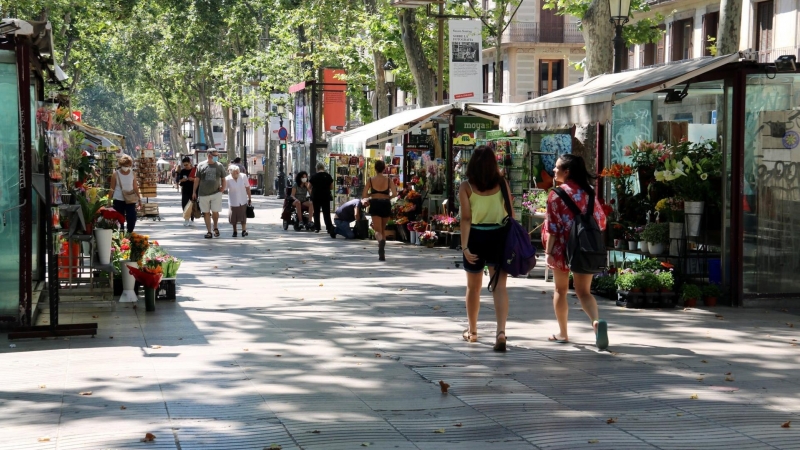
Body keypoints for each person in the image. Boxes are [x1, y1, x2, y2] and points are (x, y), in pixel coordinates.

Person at [543, 154, 608, 349]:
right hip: (583, 248)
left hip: (562, 249)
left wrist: (547, 253)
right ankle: (596, 323)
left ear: (567, 171)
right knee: (584, 292)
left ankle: (563, 333)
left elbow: (553, 229)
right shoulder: (588, 193)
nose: (554, 171)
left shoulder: (555, 195)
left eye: (556, 168)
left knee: (560, 290)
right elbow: (601, 221)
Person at [458, 146, 511, 352]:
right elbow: (510, 214)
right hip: (498, 236)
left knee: (473, 287)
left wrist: (464, 246)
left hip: (475, 237)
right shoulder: (502, 184)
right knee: (499, 287)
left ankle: (472, 331)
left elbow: (466, 218)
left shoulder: (466, 187)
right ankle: (500, 332)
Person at [362, 159, 396, 261]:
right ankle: (382, 251)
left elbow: (364, 194)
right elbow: (395, 194)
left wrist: (371, 195)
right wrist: (388, 197)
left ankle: (380, 243)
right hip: (386, 204)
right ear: (384, 168)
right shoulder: (389, 180)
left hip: (375, 203)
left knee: (377, 230)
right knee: (383, 229)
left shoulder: (371, 180)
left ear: (375, 168)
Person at [192, 150, 227, 239]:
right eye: (214, 155)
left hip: (216, 193)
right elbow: (197, 179)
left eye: (216, 155)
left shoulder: (219, 166)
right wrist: (194, 192)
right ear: (208, 155)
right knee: (206, 213)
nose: (216, 157)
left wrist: (223, 188)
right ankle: (209, 231)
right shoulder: (201, 165)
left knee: (215, 212)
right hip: (203, 193)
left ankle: (215, 226)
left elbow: (223, 179)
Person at [108, 154, 142, 233]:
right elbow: (112, 188)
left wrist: (139, 199)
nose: (126, 167)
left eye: (128, 165)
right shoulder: (115, 174)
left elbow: (135, 187)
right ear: (121, 165)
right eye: (124, 165)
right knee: (120, 219)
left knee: (132, 217)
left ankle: (129, 232)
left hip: (130, 199)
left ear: (130, 165)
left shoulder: (132, 174)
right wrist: (109, 201)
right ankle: (121, 233)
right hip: (118, 199)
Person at [308, 162, 335, 237]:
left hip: (316, 196)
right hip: (326, 196)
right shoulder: (328, 176)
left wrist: (311, 193)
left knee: (316, 212)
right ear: (323, 167)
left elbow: (309, 186)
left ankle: (317, 227)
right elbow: (331, 187)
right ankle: (329, 227)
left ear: (317, 168)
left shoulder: (314, 176)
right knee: (326, 212)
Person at [226, 165, 251, 237]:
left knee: (243, 216)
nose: (237, 173)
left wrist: (249, 198)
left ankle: (244, 230)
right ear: (231, 173)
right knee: (233, 217)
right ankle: (235, 231)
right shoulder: (227, 179)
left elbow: (248, 188)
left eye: (238, 172)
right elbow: (223, 188)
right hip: (233, 201)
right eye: (235, 172)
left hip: (242, 200)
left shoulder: (243, 176)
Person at [178, 157, 196, 226]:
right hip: (185, 190)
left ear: (190, 163)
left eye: (186, 164)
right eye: (184, 165)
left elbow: (198, 180)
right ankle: (186, 219)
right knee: (184, 204)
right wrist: (183, 180)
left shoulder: (194, 170)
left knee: (192, 205)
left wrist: (193, 179)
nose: (185, 166)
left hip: (193, 190)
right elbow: (179, 180)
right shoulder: (183, 171)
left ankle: (192, 218)